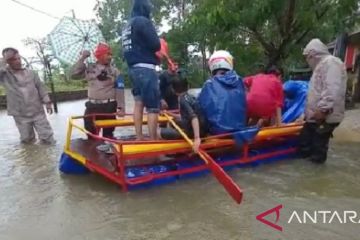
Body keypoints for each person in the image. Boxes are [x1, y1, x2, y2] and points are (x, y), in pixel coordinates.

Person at [298, 38, 347, 164]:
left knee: (317, 150)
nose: (307, 60)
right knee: (305, 143)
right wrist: (306, 114)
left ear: (312, 54)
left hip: (325, 116)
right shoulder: (321, 66)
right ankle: (306, 175)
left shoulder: (331, 63)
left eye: (307, 57)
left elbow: (332, 89)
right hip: (316, 116)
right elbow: (316, 93)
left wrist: (323, 110)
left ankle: (314, 175)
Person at [122, 0, 161, 140]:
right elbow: (156, 44)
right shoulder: (143, 21)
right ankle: (153, 140)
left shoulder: (128, 25)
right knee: (153, 107)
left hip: (133, 68)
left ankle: (139, 137)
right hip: (146, 69)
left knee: (139, 102)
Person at [0, 48, 55, 144]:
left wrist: (47, 102)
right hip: (20, 113)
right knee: (27, 141)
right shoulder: (5, 75)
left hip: (37, 110)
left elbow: (40, 87)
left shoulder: (31, 72)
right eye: (14, 59)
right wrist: (4, 59)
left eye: (19, 58)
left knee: (48, 138)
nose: (18, 61)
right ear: (8, 61)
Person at [71, 43, 125, 139]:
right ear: (100, 55)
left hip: (109, 106)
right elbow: (73, 74)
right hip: (92, 106)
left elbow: (120, 89)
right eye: (107, 54)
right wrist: (82, 57)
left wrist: (121, 108)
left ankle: (108, 149)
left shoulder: (115, 71)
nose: (110, 57)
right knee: (90, 132)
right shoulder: (89, 68)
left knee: (108, 135)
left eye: (111, 54)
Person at [198, 50, 247, 134]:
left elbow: (199, 106)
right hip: (239, 128)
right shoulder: (239, 81)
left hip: (217, 131)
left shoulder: (209, 84)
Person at [159, 76, 208, 153]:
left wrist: (197, 138)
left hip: (197, 132)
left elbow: (194, 117)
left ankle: (176, 148)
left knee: (160, 132)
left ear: (173, 90)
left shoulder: (183, 100)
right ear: (188, 87)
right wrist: (168, 113)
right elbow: (184, 116)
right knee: (174, 121)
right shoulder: (190, 97)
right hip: (202, 129)